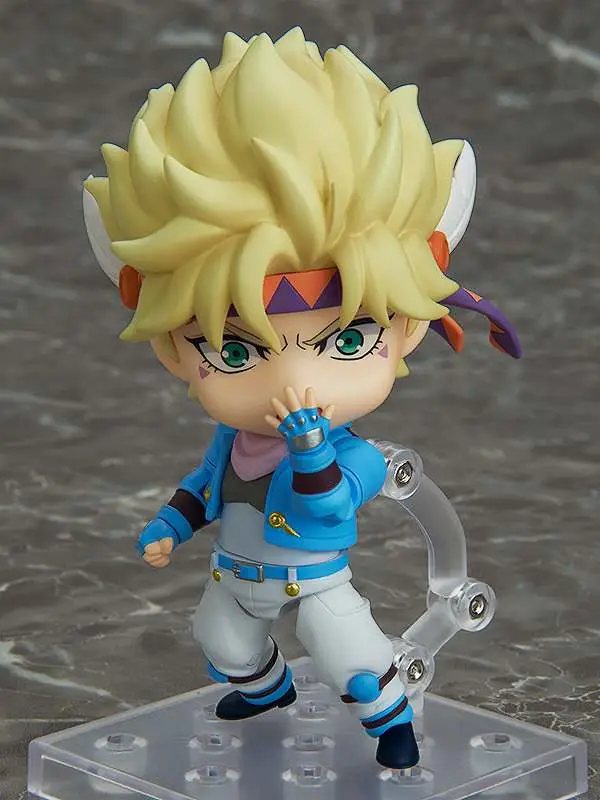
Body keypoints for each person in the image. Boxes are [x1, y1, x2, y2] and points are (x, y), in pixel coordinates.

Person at [83, 27, 521, 770]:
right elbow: (204, 489)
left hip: (315, 583)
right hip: (236, 576)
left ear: (406, 331)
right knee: (220, 643)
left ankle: (391, 725)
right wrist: (168, 526)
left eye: (346, 341)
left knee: (354, 661)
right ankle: (266, 690)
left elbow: (331, 506)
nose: (292, 384)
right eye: (234, 352)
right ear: (173, 350)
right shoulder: (232, 440)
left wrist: (314, 448)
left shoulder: (358, 455)